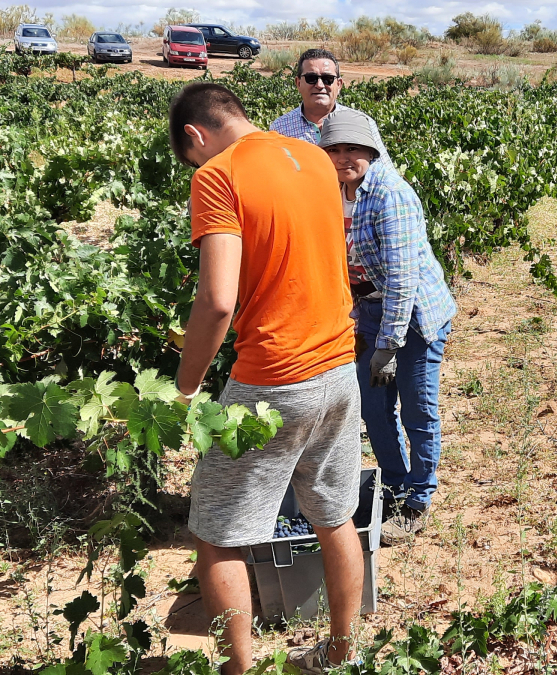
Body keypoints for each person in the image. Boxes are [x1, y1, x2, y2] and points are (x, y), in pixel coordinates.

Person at [168, 82, 365, 675]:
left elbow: (218, 301)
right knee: (334, 515)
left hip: (274, 377)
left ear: (196, 136)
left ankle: (239, 672)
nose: (196, 168)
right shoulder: (310, 155)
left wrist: (185, 386)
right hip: (338, 363)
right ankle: (340, 652)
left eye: (192, 158)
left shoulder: (217, 176)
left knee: (216, 534)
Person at [319, 109, 458, 545]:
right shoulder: (331, 191)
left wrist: (390, 345)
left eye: (353, 150)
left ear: (371, 152)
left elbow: (403, 280)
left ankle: (418, 499)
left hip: (413, 317)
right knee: (374, 409)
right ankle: (394, 485)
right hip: (370, 311)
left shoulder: (389, 195)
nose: (343, 158)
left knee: (417, 409)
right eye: (334, 150)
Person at [270, 48, 390, 162]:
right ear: (298, 83)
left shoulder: (363, 123)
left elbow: (386, 173)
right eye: (311, 78)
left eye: (328, 78)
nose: (320, 85)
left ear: (339, 85)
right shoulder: (280, 128)